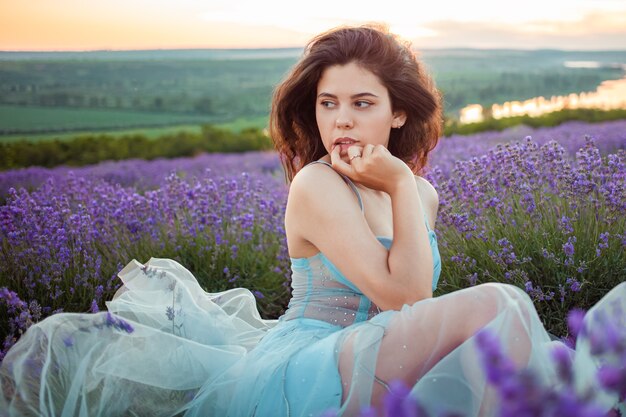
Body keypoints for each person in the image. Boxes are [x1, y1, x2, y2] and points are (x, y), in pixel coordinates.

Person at [1, 24, 624, 417]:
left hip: (375, 355)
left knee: (509, 326)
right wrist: (403, 181)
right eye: (329, 104)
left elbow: (409, 308)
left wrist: (405, 186)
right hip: (311, 362)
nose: (342, 121)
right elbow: (406, 296)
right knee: (501, 303)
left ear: (398, 115)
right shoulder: (317, 185)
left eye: (362, 103)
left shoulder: (418, 195)